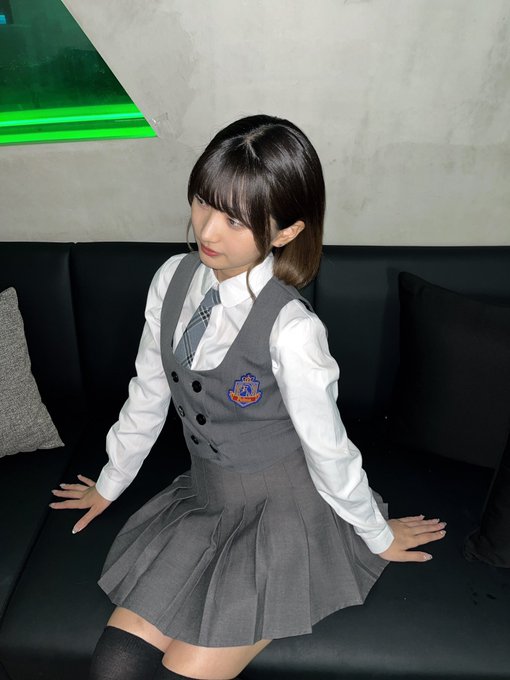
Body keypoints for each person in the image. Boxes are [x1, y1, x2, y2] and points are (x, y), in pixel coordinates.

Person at [50, 115, 446, 680]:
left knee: (180, 673)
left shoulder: (292, 329)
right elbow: (149, 389)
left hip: (285, 514)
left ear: (285, 232)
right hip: (206, 498)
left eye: (235, 220)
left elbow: (328, 447)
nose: (207, 231)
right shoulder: (171, 278)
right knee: (112, 666)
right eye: (202, 202)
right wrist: (111, 481)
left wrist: (376, 535)